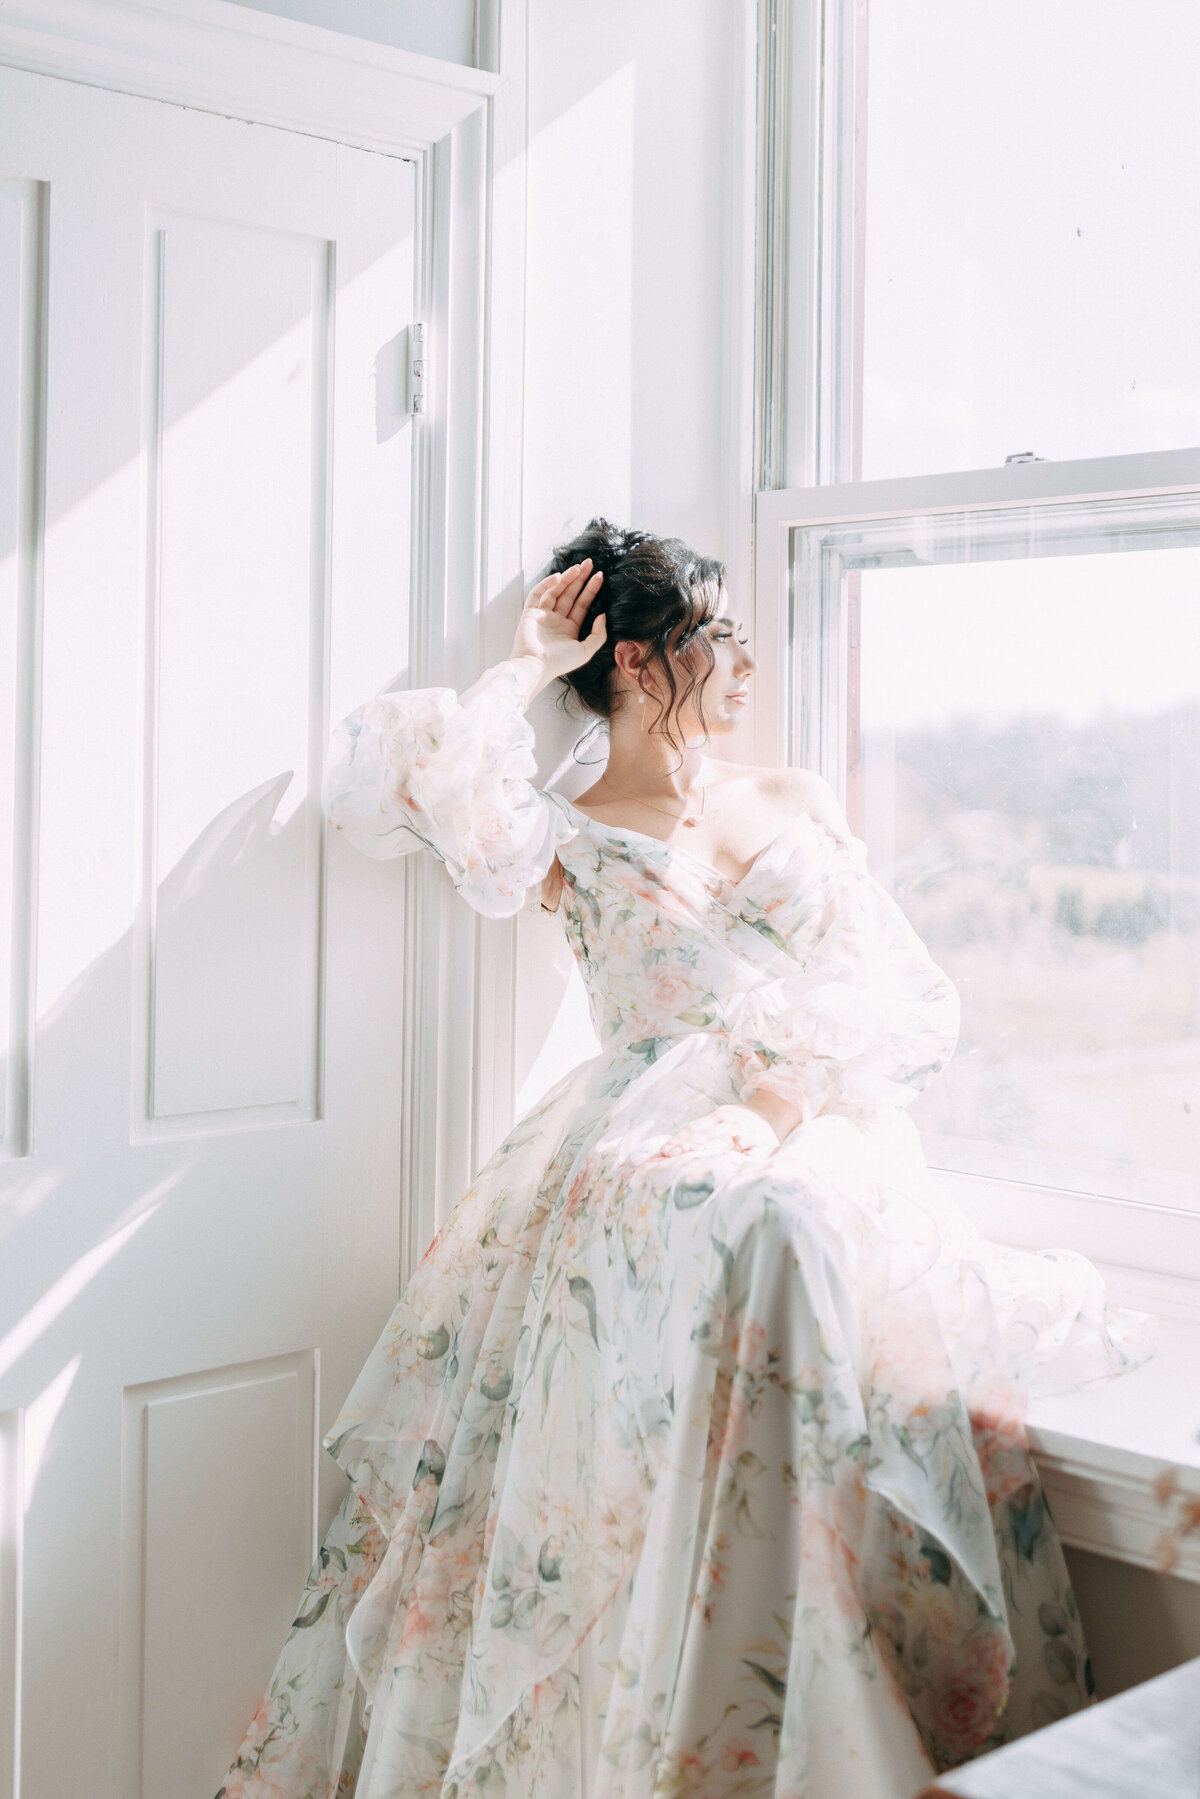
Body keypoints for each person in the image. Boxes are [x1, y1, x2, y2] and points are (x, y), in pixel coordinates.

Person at [218, 519, 1153, 1799]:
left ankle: (826, 1693)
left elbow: (904, 996)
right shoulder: (565, 833)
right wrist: (528, 661)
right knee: (724, 1253)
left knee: (789, 1234)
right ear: (652, 661)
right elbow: (395, 786)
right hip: (638, 1136)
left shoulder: (793, 799)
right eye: (729, 640)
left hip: (808, 1120)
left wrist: (775, 1104)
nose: (754, 667)